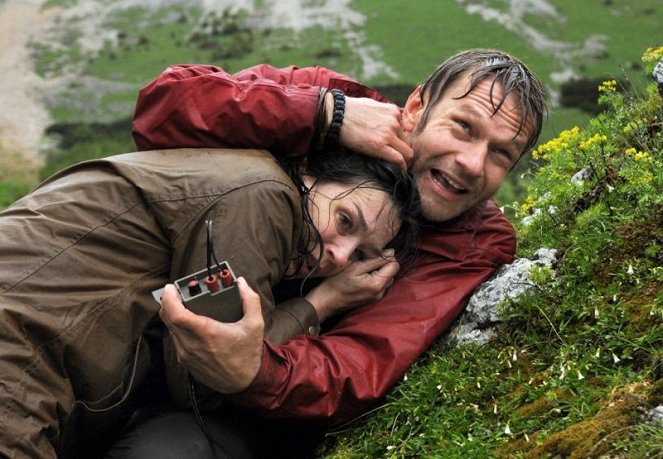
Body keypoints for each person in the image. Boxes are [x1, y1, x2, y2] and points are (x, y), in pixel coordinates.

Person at [128, 49, 548, 443]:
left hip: (239, 416)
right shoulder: (338, 102)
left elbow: (358, 364)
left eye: (500, 154)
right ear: (417, 107)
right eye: (463, 126)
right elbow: (162, 109)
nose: (472, 163)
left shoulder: (471, 241)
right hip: (135, 335)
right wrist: (325, 114)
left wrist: (253, 370)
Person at [0, 146, 417, 459]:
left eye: (361, 255)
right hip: (18, 358)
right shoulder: (263, 197)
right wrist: (322, 302)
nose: (340, 257)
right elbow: (203, 376)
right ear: (309, 174)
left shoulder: (239, 179)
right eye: (345, 220)